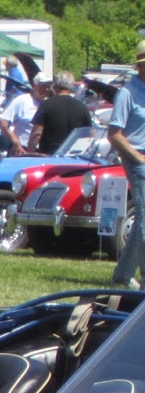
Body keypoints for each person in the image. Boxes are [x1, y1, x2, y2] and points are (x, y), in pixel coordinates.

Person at [108, 41, 145, 288]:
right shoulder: (127, 93)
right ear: (140, 66)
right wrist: (137, 157)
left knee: (143, 219)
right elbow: (114, 133)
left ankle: (123, 274)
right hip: (138, 159)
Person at [29, 71, 92, 156]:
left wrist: (30, 153)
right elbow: (88, 134)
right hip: (72, 157)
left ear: (55, 86)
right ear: (71, 86)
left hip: (49, 156)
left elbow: (37, 134)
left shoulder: (47, 104)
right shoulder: (82, 107)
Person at [2, 74, 46, 153]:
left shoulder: (49, 103)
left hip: (42, 151)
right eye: (43, 86)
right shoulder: (22, 100)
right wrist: (15, 142)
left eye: (48, 86)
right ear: (35, 86)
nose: (46, 89)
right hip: (22, 149)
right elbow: (3, 123)